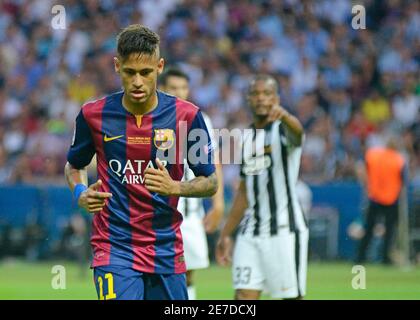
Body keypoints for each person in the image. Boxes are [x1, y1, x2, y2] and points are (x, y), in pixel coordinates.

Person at [64, 24, 218, 300]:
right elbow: (74, 165)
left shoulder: (187, 116)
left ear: (159, 67)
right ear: (116, 66)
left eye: (145, 73)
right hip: (114, 246)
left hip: (165, 248)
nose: (137, 82)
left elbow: (211, 181)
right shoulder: (93, 115)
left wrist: (176, 188)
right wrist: (80, 192)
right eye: (129, 72)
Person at [216, 74, 308, 300]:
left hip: (284, 230)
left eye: (267, 94)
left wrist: (285, 116)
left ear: (276, 98)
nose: (261, 99)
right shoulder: (246, 138)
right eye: (256, 94)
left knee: (290, 297)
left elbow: (298, 134)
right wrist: (226, 234)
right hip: (251, 231)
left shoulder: (283, 130)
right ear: (248, 99)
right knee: (243, 297)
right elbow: (244, 191)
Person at [159, 67, 224, 300]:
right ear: (162, 88)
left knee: (188, 274)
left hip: (190, 212)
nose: (179, 92)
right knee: (157, 272)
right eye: (173, 88)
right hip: (157, 209)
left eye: (183, 88)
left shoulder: (199, 118)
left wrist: (218, 205)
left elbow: (213, 164)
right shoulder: (152, 115)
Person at [356, 136, 406, 265]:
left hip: (374, 196)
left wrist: (366, 183)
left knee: (368, 229)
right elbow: (403, 180)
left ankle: (360, 257)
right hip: (391, 199)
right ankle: (385, 258)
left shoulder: (374, 155)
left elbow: (362, 168)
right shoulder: (398, 159)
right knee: (389, 231)